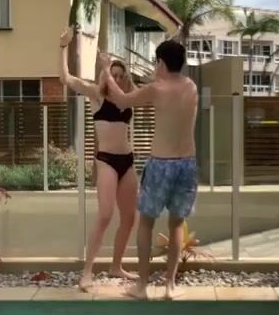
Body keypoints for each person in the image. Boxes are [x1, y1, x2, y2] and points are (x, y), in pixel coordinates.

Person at [102, 38, 198, 299]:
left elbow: (121, 100)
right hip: (187, 164)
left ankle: (142, 286)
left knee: (145, 224)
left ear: (162, 63)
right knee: (176, 224)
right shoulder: (191, 87)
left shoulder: (157, 89)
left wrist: (107, 70)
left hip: (161, 164)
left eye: (157, 62)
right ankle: (170, 286)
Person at [59, 29, 138, 290]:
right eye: (113, 74)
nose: (116, 78)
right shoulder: (96, 95)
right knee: (105, 215)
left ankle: (116, 266)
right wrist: (63, 47)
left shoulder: (128, 99)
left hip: (127, 161)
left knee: (129, 217)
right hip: (106, 161)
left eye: (120, 75)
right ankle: (87, 271)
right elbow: (65, 78)